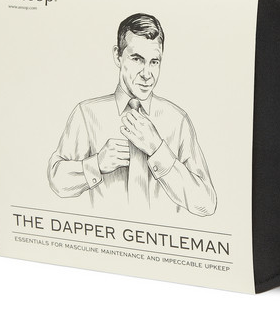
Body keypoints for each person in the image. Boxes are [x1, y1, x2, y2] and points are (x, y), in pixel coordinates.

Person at [47, 13, 217, 217]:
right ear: (117, 56)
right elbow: (56, 180)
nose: (147, 74)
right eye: (137, 59)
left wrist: (157, 149)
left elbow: (206, 203)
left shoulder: (177, 120)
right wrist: (97, 164)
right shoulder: (86, 114)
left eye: (154, 62)